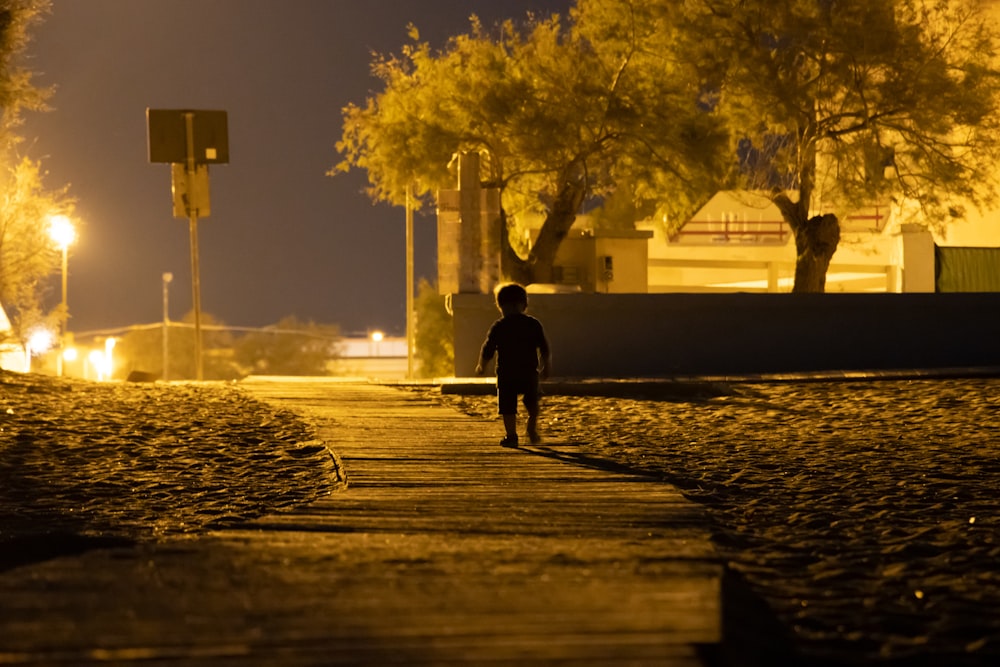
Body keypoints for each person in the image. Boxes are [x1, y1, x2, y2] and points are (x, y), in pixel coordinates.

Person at [475, 283, 551, 448]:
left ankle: (511, 436)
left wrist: (481, 365)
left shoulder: (499, 326)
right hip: (529, 372)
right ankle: (531, 426)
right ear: (524, 305)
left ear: (501, 306)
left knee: (507, 407)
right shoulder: (533, 324)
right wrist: (546, 366)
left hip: (506, 374)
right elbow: (544, 347)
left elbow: (487, 348)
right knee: (532, 403)